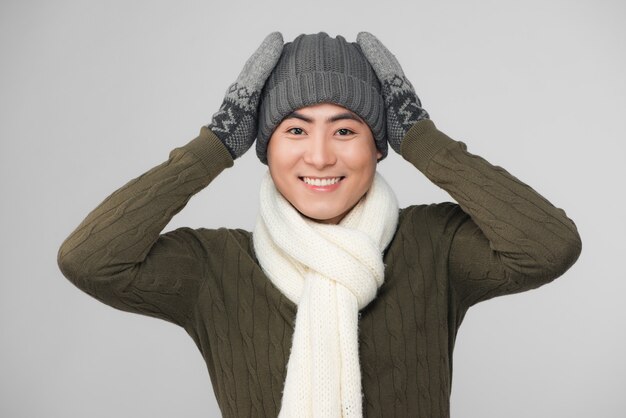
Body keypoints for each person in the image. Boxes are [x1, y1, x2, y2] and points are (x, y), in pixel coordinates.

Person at [57, 31, 582, 418]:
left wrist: (423, 139)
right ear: (264, 148)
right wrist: (213, 146)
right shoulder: (214, 268)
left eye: (346, 129)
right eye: (294, 130)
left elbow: (549, 247)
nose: (321, 155)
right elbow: (89, 259)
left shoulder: (432, 245)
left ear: (380, 145)